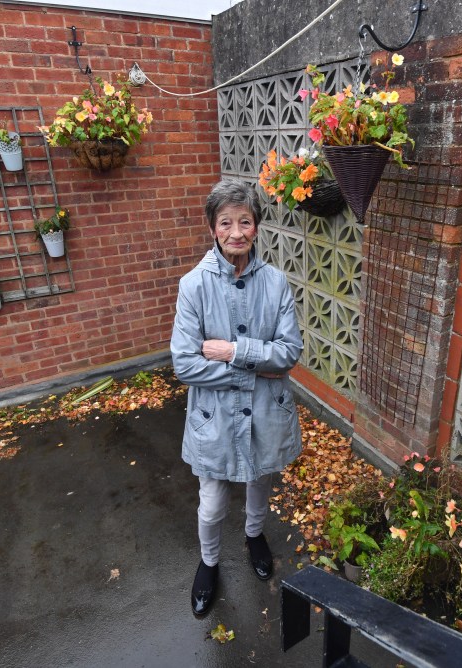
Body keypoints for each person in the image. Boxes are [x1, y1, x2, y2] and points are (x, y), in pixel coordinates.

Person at [171, 179, 303, 617]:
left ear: (257, 227)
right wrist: (255, 369)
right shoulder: (193, 286)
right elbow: (185, 364)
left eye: (244, 221)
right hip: (215, 416)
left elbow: (288, 355)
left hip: (265, 413)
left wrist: (231, 351)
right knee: (211, 503)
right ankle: (208, 564)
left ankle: (253, 535)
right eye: (225, 222)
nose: (236, 232)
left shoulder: (277, 282)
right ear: (213, 227)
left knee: (260, 481)